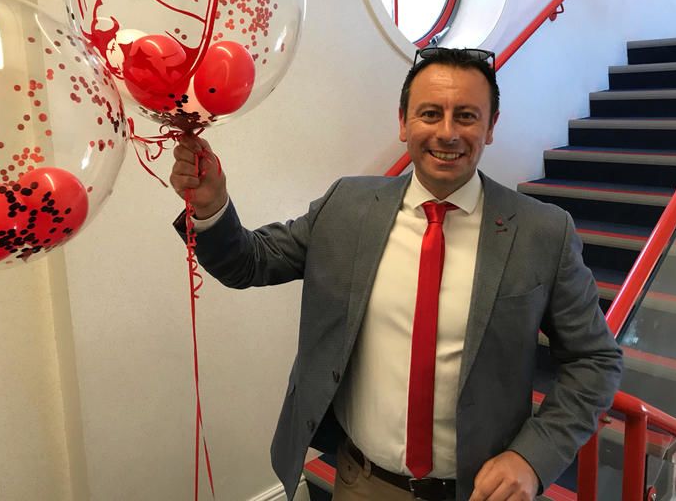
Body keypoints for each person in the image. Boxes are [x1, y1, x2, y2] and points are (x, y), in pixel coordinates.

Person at [170, 47, 623, 501]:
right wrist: (212, 207)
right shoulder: (347, 207)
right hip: (364, 483)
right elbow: (249, 262)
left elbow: (595, 361)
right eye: (430, 113)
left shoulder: (543, 232)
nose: (447, 133)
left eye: (466, 116)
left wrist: (532, 457)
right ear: (404, 122)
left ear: (490, 127)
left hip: (479, 492)